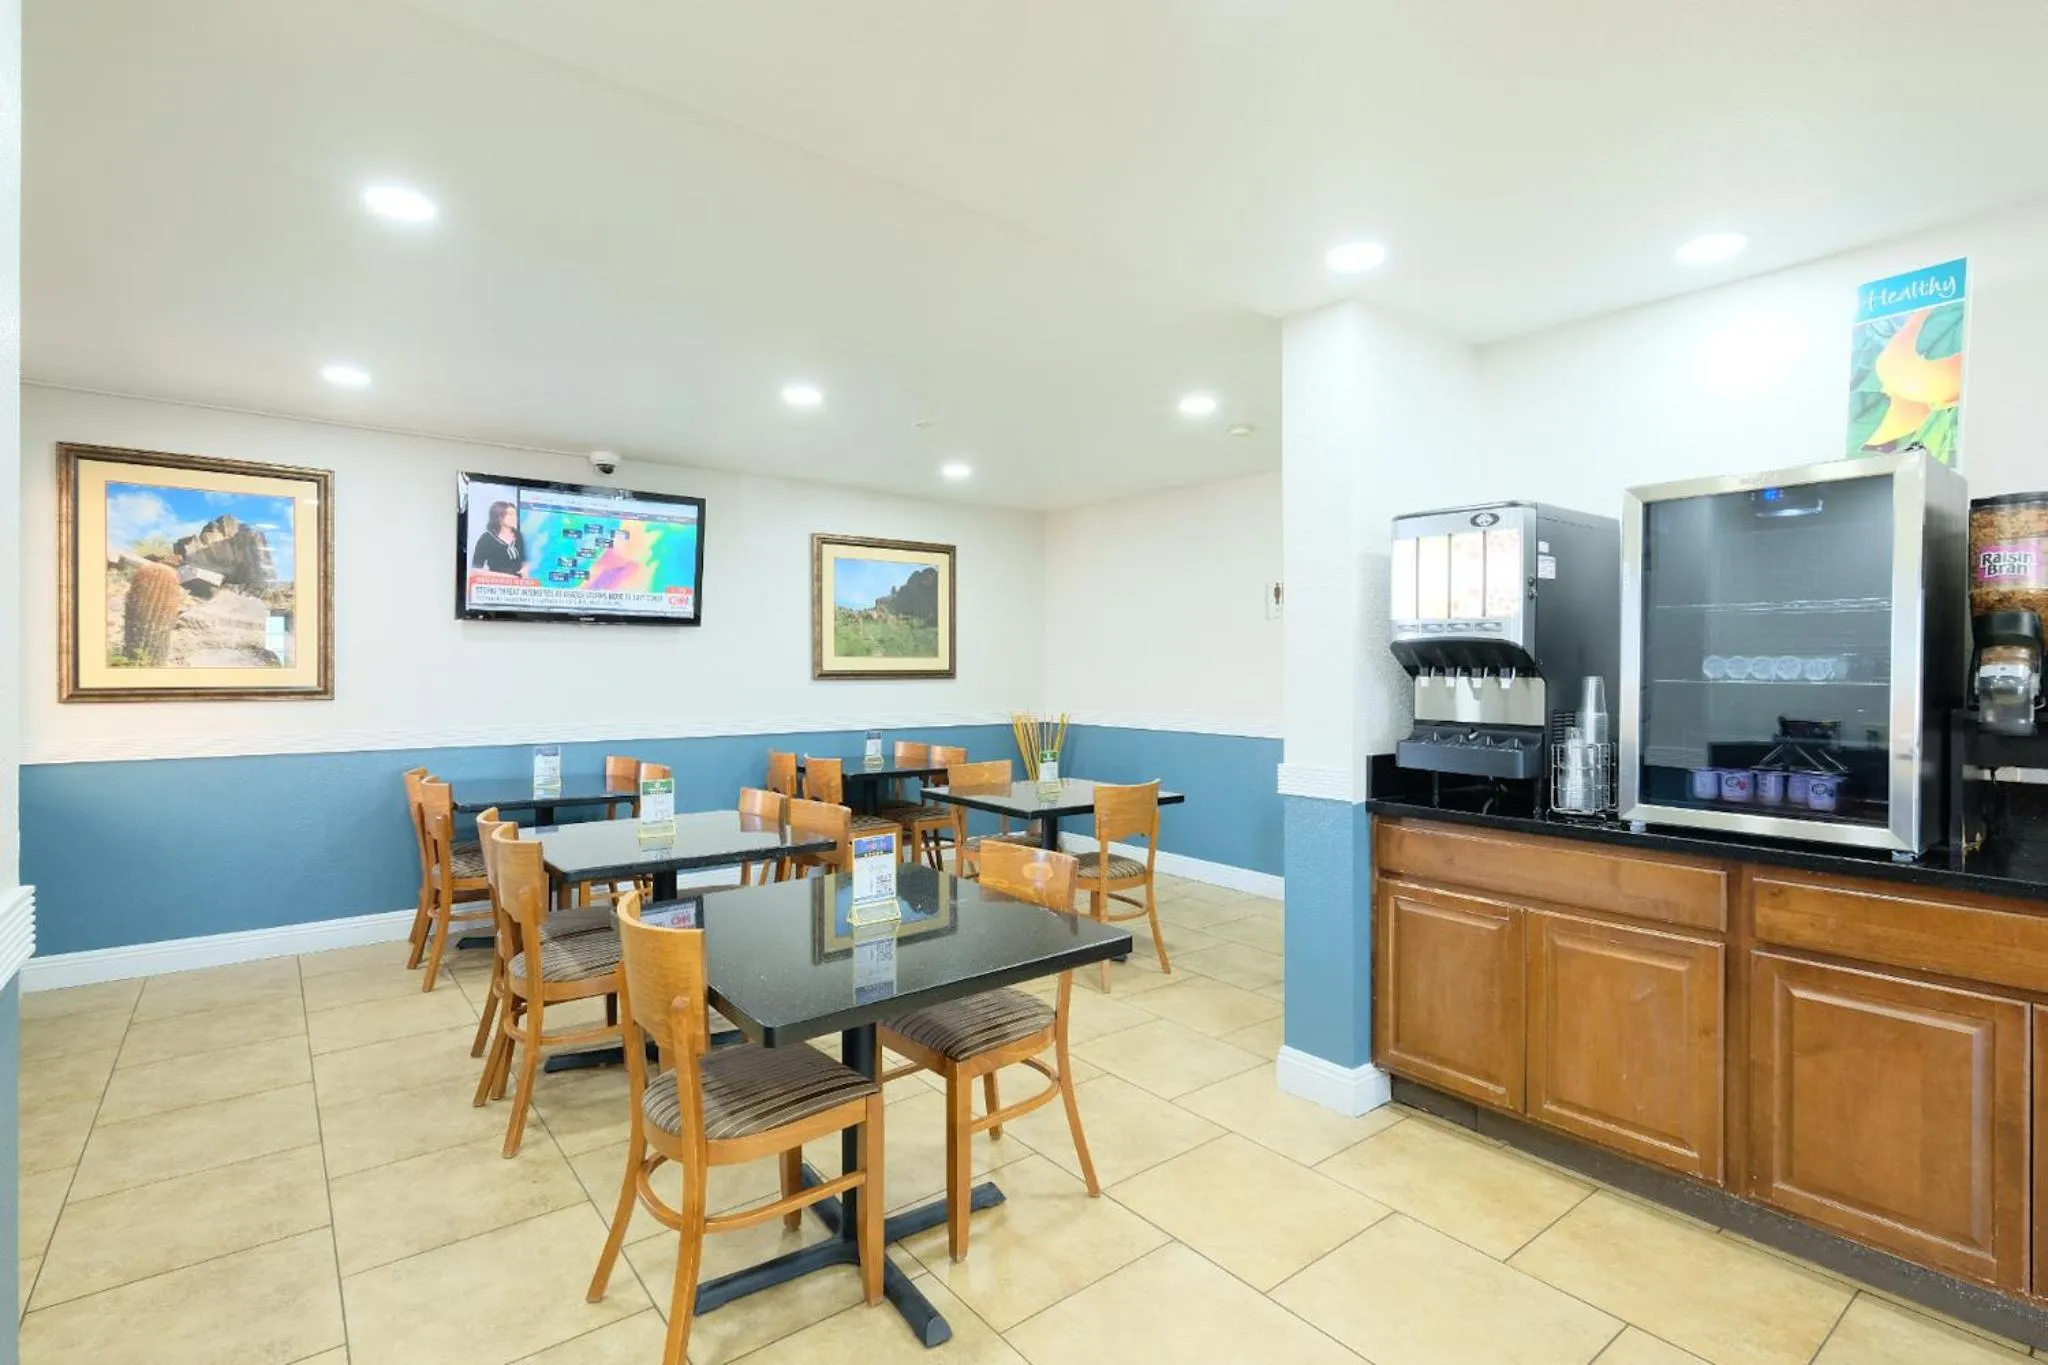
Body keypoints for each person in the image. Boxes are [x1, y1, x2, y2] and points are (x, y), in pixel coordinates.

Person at [471, 499, 526, 575]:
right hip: (497, 584)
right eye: (510, 514)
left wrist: (525, 569)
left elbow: (524, 561)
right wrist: (505, 577)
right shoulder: (486, 539)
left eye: (515, 514)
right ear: (499, 517)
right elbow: (476, 569)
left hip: (518, 584)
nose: (515, 518)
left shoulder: (519, 536)